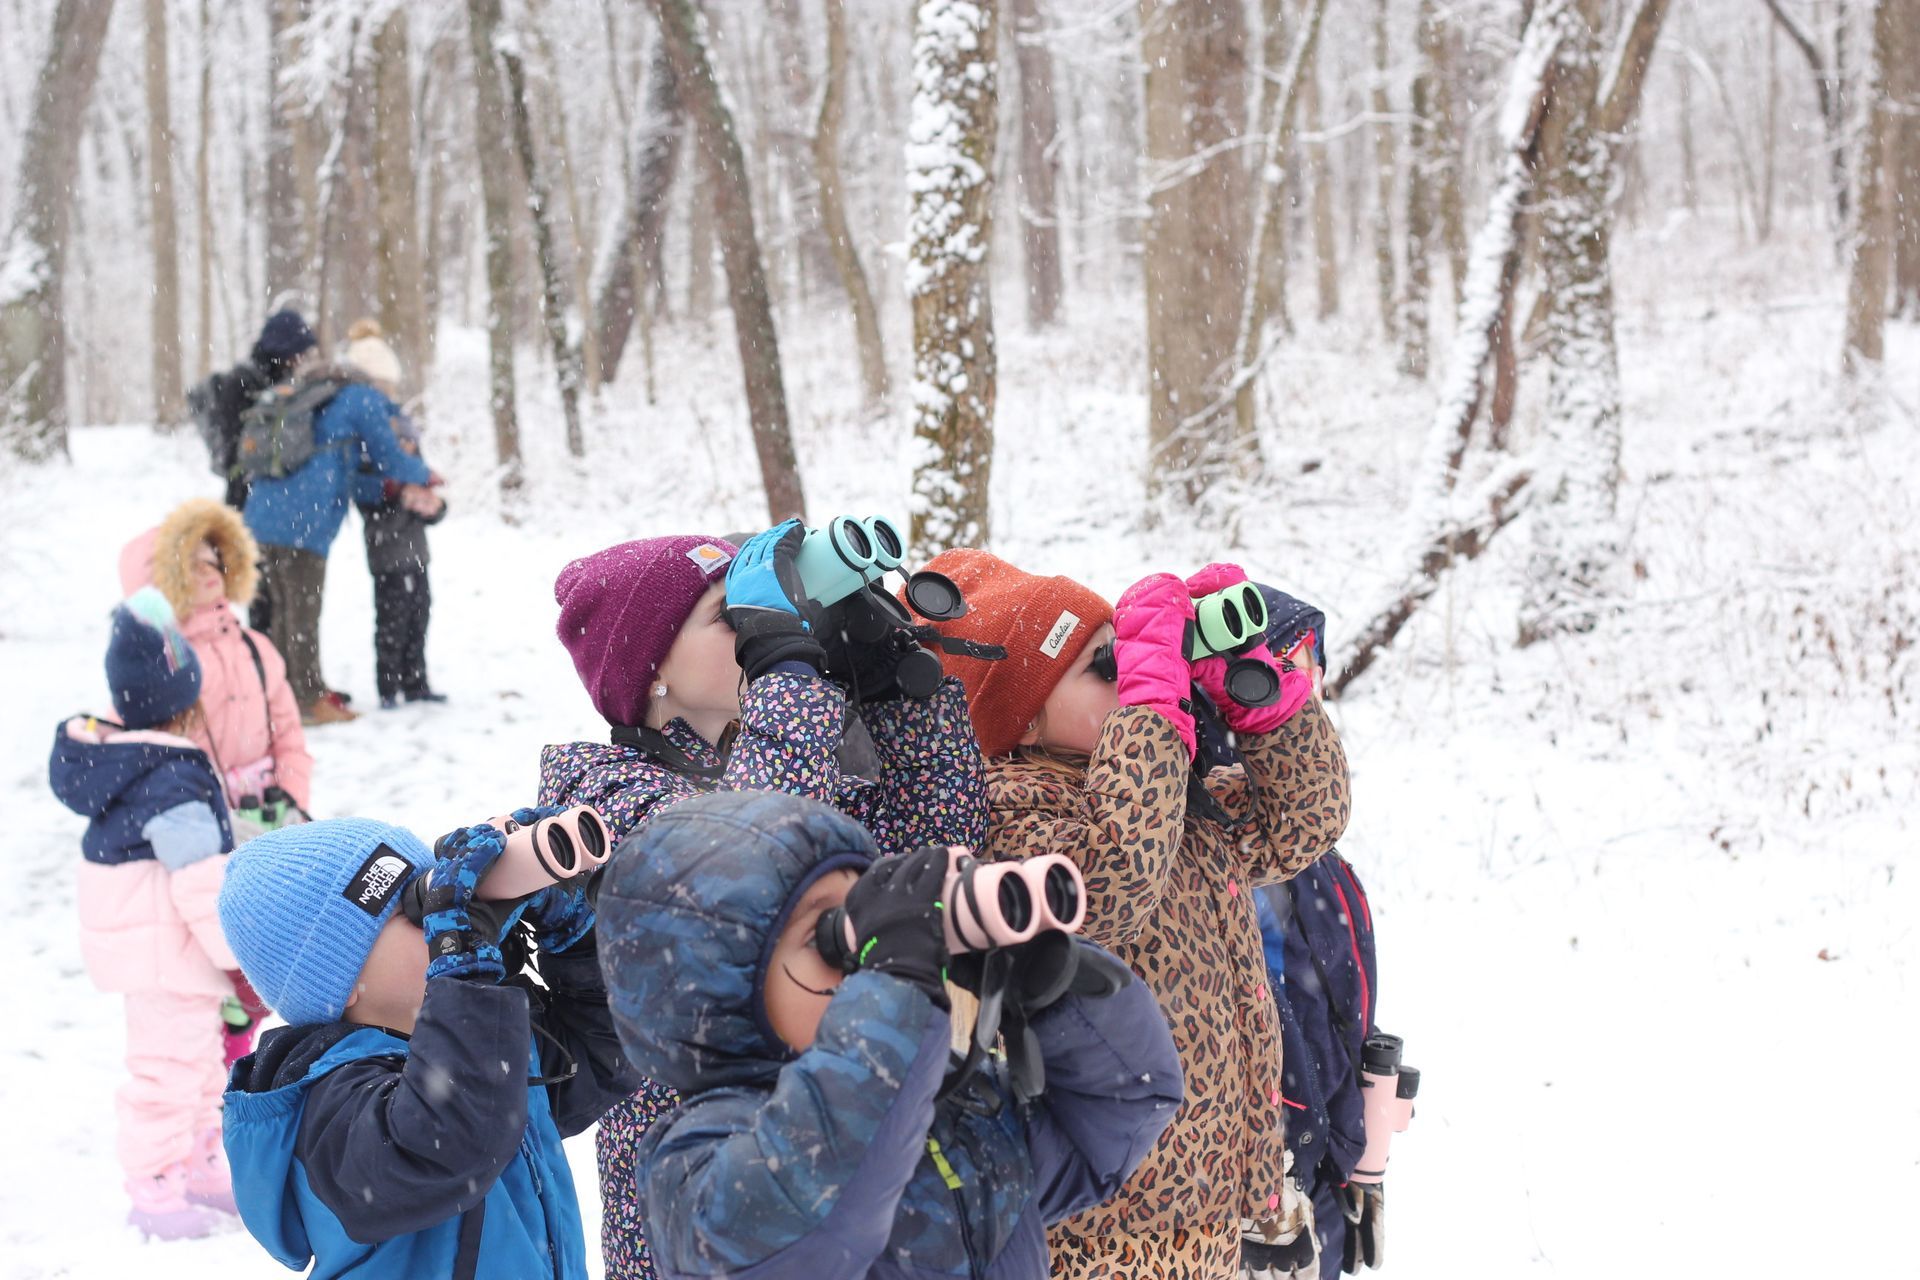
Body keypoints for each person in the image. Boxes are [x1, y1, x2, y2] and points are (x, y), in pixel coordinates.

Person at [537, 523, 989, 1280]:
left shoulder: (794, 759)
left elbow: (931, 857)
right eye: (731, 619)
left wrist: (892, 693)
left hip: (837, 1133)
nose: (758, 632)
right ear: (654, 674)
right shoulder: (605, 806)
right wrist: (784, 672)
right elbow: (747, 872)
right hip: (712, 1177)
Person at [915, 550, 1353, 1280]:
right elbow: (1107, 893)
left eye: (1138, 660)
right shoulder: (1012, 810)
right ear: (1021, 720)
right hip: (1101, 1225)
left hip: (1210, 1206)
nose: (1137, 679)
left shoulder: (1171, 795)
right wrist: (1152, 714)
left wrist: (1258, 701)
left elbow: (1303, 822)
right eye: (1109, 667)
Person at [596, 789, 1185, 1279]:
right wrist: (896, 985)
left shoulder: (956, 1103)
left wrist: (1052, 996)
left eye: (868, 911)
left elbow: (1121, 1109)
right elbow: (806, 1228)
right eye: (830, 936)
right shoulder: (697, 1155)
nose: (868, 957)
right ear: (717, 993)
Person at [216, 814, 637, 1278]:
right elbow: (448, 1147)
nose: (436, 923)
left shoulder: (475, 1043)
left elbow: (606, 1058)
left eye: (430, 893)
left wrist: (579, 939)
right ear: (344, 982)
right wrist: (464, 971)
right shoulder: (327, 1105)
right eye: (414, 911)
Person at [47, 589, 242, 1239]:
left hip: (156, 944)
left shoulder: (133, 758)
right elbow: (199, 883)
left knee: (200, 1060)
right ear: (181, 704)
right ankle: (154, 1185)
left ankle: (200, 1160)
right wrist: (237, 952)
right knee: (166, 1069)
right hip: (166, 947)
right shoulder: (169, 779)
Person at [118, 497, 315, 1064]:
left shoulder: (257, 647)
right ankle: (214, 1057)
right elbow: (155, 751)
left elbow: (290, 736)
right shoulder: (160, 661)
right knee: (217, 950)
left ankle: (245, 1040)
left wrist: (293, 802)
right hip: (205, 828)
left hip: (274, 821)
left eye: (216, 559)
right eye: (193, 563)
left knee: (270, 951)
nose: (210, 572)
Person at [240, 338, 433, 726]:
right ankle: (308, 701)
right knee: (303, 612)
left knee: (281, 610)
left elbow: (354, 467)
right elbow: (388, 455)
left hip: (261, 512)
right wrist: (426, 475)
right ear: (379, 379)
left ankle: (284, 695)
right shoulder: (361, 398)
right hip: (302, 520)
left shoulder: (319, 391)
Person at [342, 320, 447, 709]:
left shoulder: (400, 425)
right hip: (386, 541)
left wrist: (432, 505)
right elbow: (363, 491)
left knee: (419, 612)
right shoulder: (364, 436)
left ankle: (416, 681)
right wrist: (393, 492)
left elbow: (419, 476)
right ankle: (389, 686)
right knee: (392, 617)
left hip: (414, 541)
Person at [189, 309, 320, 515]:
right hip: (245, 486)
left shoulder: (280, 379)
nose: (300, 359)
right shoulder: (242, 381)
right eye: (298, 353)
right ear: (284, 349)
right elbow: (233, 441)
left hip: (265, 486)